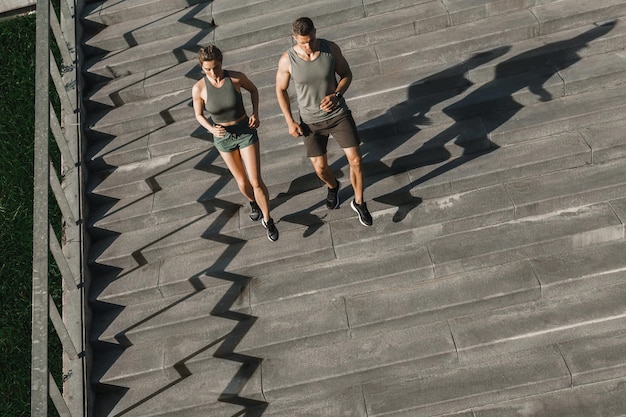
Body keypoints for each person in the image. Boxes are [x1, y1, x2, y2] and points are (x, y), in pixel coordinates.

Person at [275, 17, 373, 227]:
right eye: (302, 42)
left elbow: (346, 74)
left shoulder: (330, 49)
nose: (308, 46)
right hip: (310, 122)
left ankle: (359, 202)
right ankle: (333, 186)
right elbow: (280, 89)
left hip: (338, 115)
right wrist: (290, 121)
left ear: (315, 32)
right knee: (320, 169)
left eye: (311, 40)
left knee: (355, 160)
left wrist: (337, 95)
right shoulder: (287, 59)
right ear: (294, 38)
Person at [192, 45, 278, 241]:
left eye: (216, 67)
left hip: (244, 131)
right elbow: (198, 114)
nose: (213, 72)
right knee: (242, 182)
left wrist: (256, 113)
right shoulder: (199, 88)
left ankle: (268, 220)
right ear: (202, 68)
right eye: (208, 69)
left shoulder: (236, 78)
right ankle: (253, 203)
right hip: (223, 137)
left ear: (222, 63)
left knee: (256, 180)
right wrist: (210, 128)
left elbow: (254, 90)